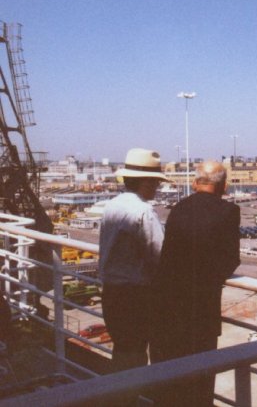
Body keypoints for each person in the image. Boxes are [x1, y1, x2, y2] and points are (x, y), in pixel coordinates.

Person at [151, 161, 240, 406]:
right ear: (224, 186)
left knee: (171, 381)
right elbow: (231, 259)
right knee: (201, 380)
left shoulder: (178, 208)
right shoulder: (229, 211)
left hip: (168, 307)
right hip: (201, 309)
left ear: (194, 183)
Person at [98, 148, 167, 373]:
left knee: (122, 353)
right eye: (156, 181)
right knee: (134, 359)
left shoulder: (112, 205)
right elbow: (160, 255)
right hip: (134, 297)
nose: (158, 187)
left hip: (111, 293)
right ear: (145, 182)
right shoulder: (143, 211)